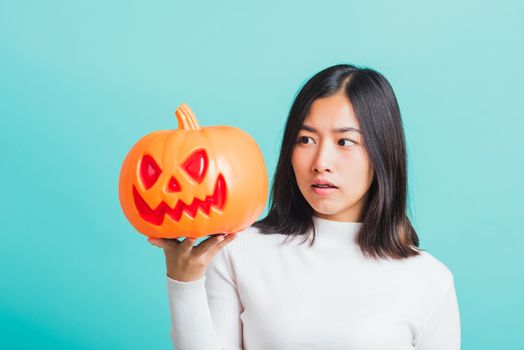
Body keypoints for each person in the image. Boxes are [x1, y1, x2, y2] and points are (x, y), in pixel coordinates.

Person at [148, 64, 461, 350]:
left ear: (382, 153)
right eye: (306, 140)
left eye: (345, 142)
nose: (321, 162)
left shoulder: (429, 279)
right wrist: (184, 281)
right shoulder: (238, 250)